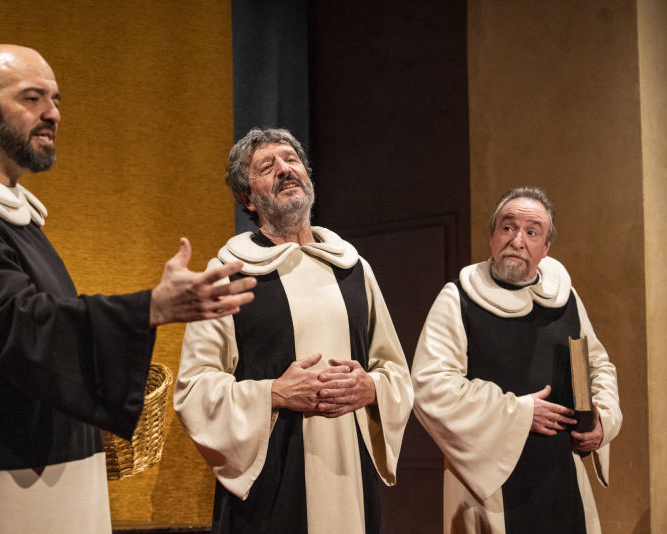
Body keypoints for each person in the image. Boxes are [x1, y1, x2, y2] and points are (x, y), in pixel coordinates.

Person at [0, 44, 256, 534]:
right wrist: (150, 307)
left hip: (41, 477)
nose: (53, 114)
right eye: (32, 98)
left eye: (56, 100)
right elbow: (19, 327)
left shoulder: (11, 219)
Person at [173, 127, 414, 534]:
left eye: (291, 160)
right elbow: (194, 390)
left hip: (349, 472)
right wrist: (274, 393)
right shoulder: (227, 274)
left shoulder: (354, 268)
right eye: (267, 166)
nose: (285, 170)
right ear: (247, 198)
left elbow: (396, 373)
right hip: (273, 485)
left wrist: (371, 389)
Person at [411, 187, 622, 533]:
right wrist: (519, 413)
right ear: (492, 237)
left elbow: (597, 366)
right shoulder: (459, 298)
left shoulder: (564, 298)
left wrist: (603, 422)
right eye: (507, 228)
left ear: (546, 247)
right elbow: (430, 386)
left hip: (562, 476)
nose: (517, 241)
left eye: (532, 232)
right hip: (490, 485)